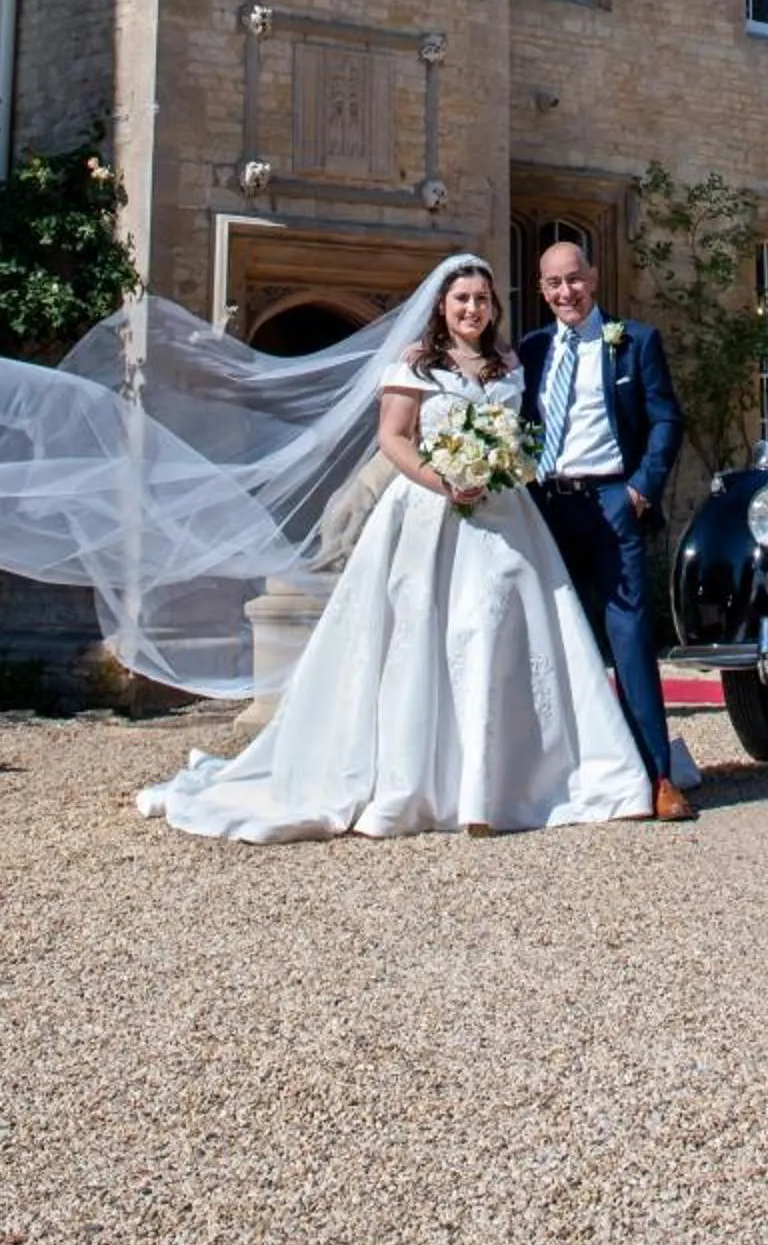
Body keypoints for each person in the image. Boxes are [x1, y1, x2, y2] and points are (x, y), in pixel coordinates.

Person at [135, 255, 652, 840]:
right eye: (462, 299)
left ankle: (507, 781)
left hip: (505, 516)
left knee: (501, 628)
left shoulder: (509, 364)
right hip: (430, 517)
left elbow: (528, 433)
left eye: (482, 299)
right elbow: (394, 437)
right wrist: (445, 478)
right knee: (425, 635)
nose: (473, 309)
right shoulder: (416, 365)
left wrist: (504, 464)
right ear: (441, 306)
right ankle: (423, 782)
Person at [520, 238, 694, 824]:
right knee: (559, 642)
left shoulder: (633, 341)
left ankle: (658, 777)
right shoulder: (533, 349)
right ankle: (574, 775)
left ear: (592, 278)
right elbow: (519, 427)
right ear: (541, 290)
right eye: (553, 284)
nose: (565, 292)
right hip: (551, 507)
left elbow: (667, 417)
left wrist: (641, 489)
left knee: (630, 640)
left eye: (574, 280)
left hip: (614, 500)